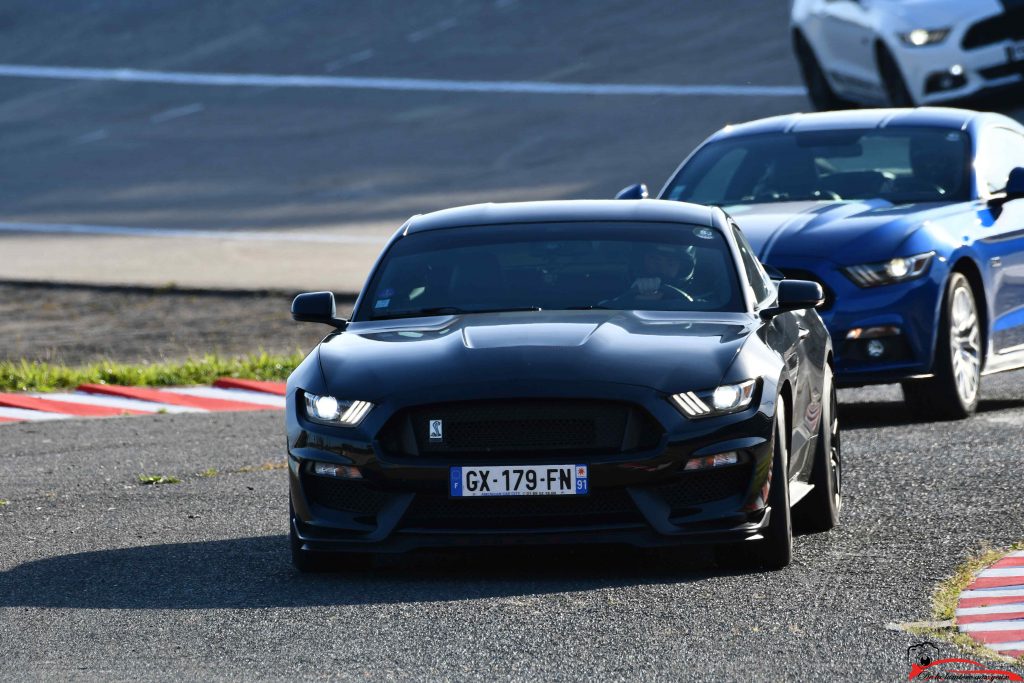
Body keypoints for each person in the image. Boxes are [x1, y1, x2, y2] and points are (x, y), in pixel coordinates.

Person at [626, 243, 696, 301]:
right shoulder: (616, 293)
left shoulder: (699, 307)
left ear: (681, 269)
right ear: (641, 262)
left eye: (671, 264)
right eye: (655, 261)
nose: (662, 269)